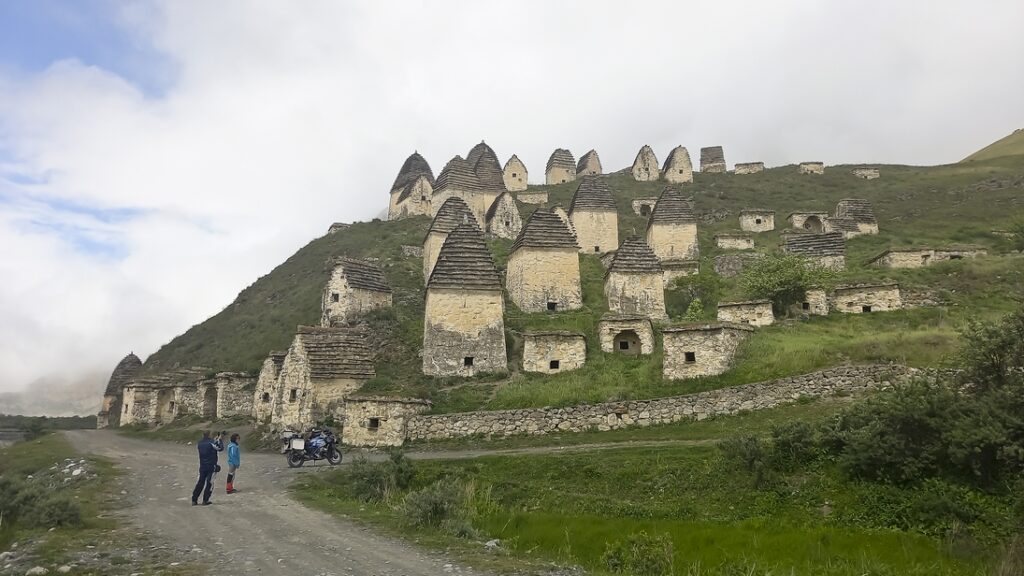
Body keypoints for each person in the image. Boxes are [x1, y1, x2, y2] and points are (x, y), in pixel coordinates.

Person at [191, 431, 220, 506]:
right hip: (211, 465)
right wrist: (219, 440)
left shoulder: (200, 443)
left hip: (202, 465)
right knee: (210, 483)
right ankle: (205, 500)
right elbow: (220, 448)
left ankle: (194, 499)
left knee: (200, 482)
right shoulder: (211, 442)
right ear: (209, 435)